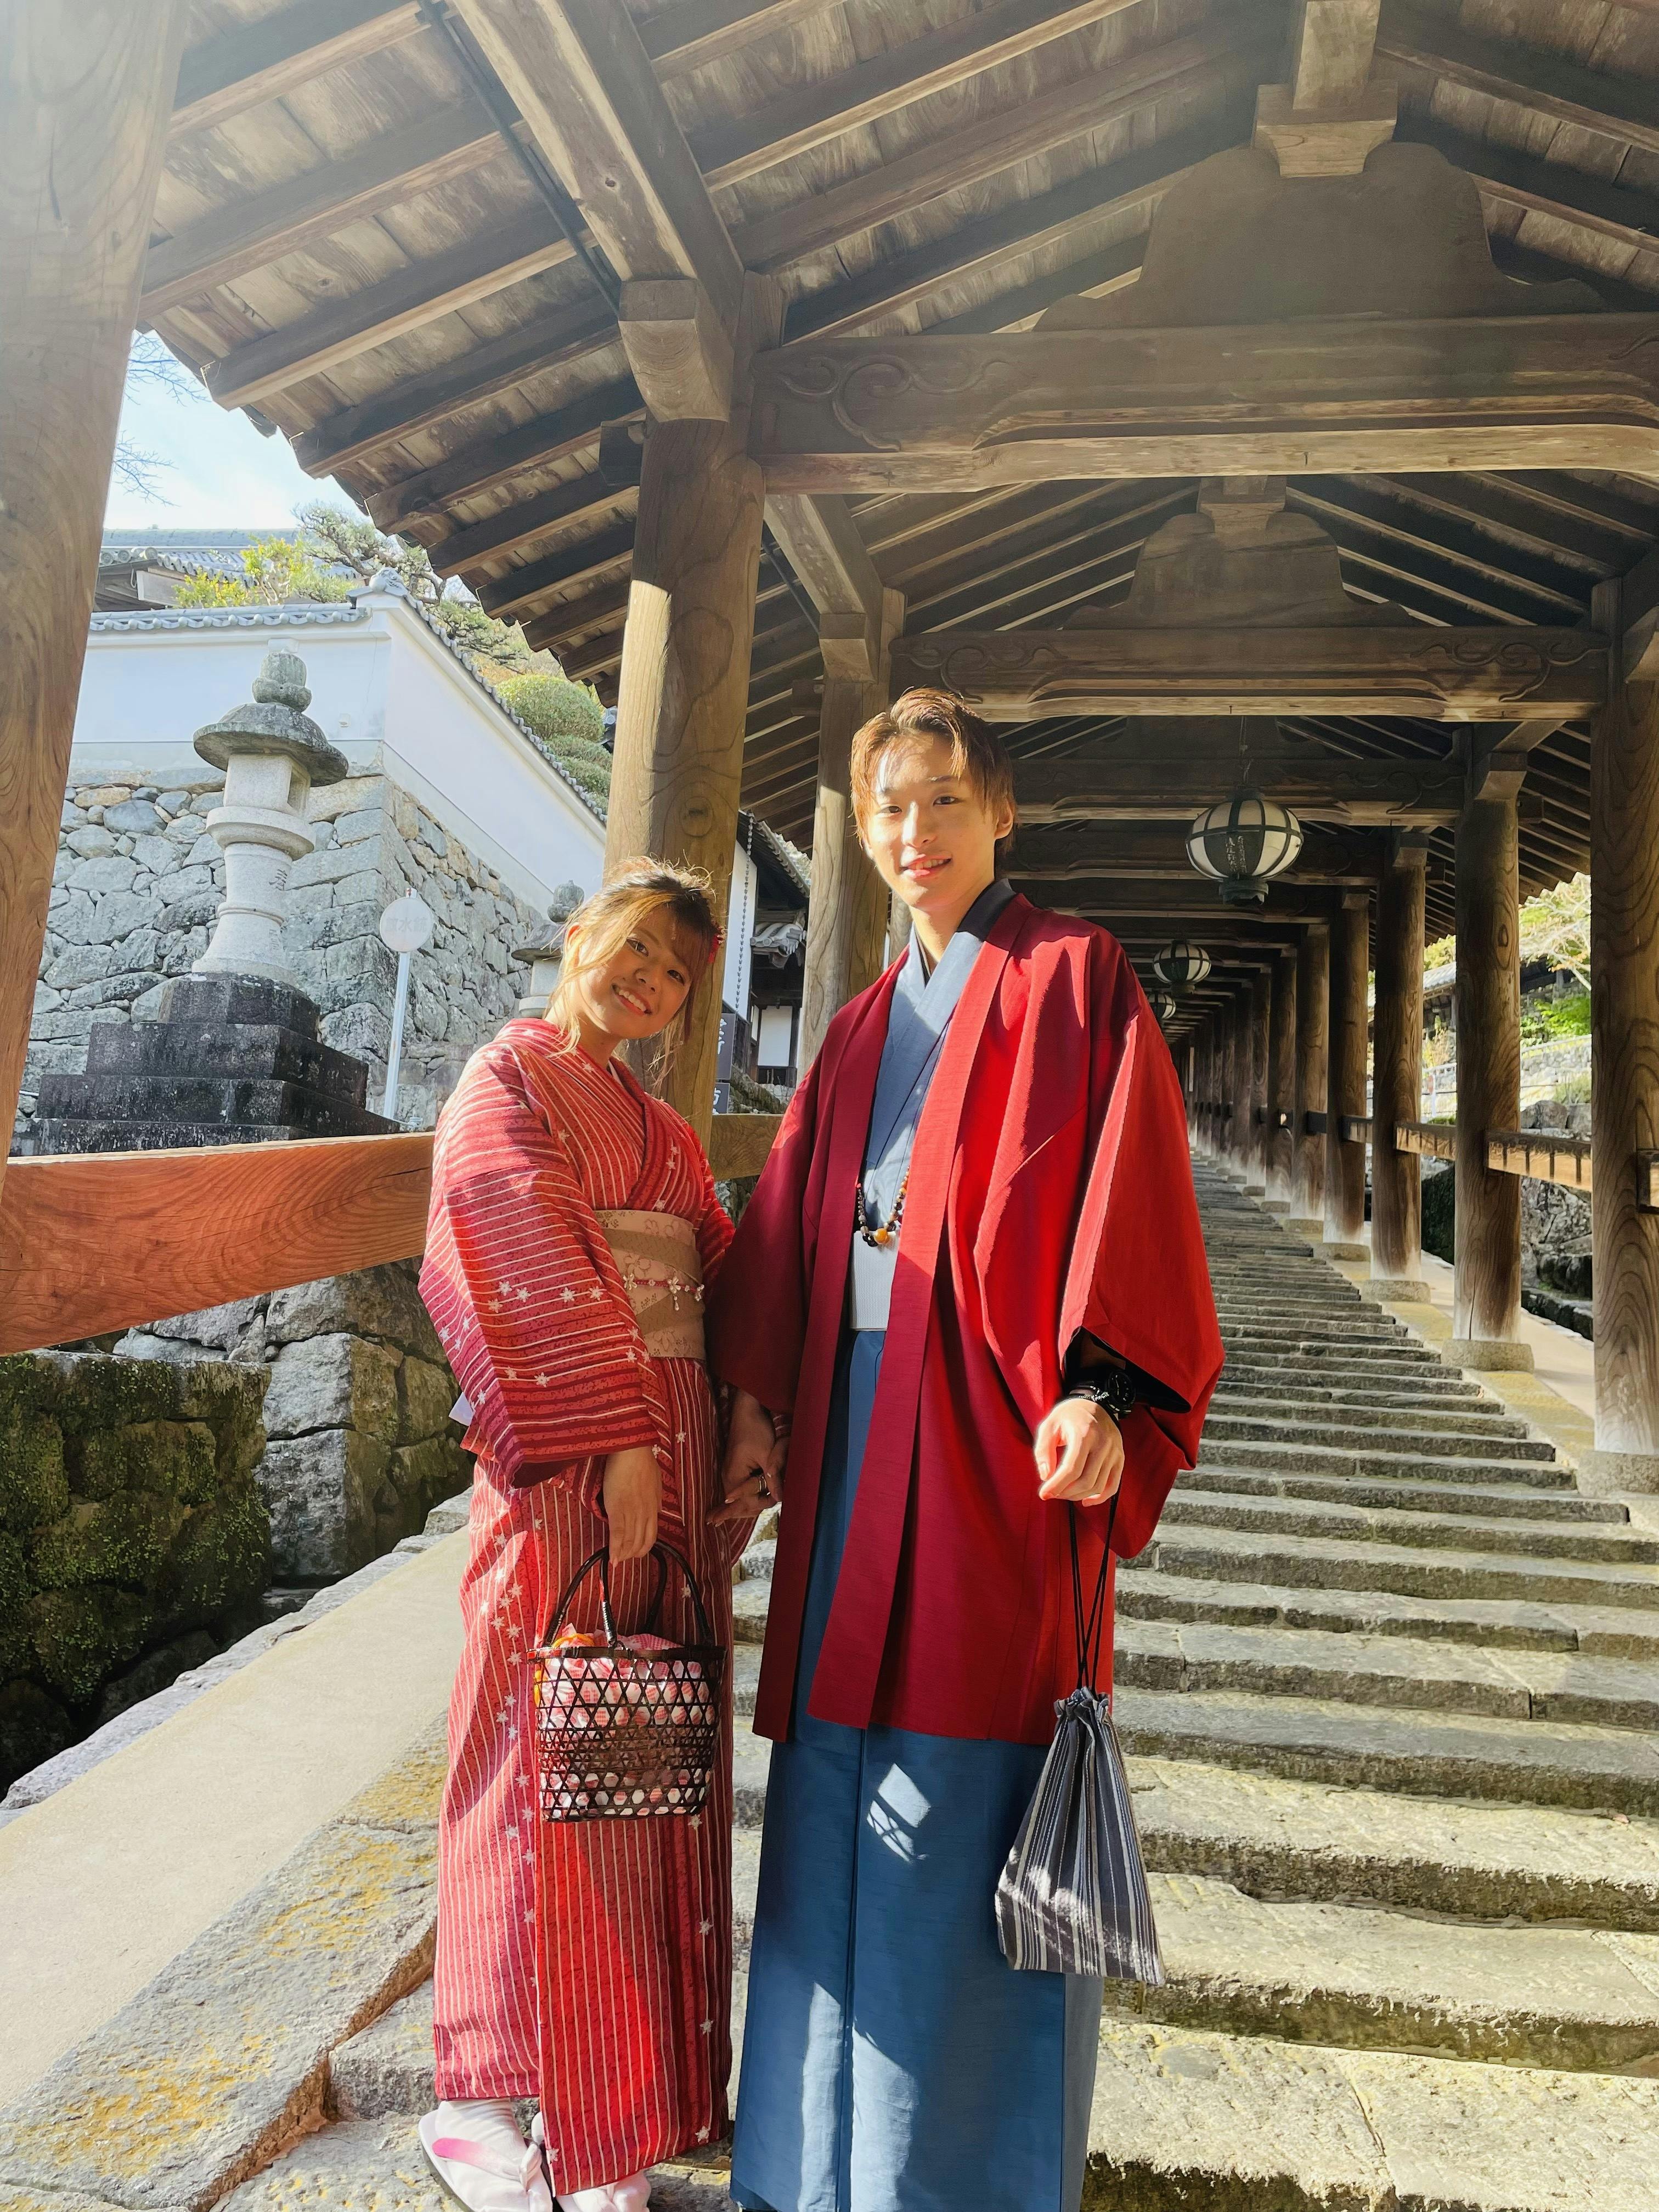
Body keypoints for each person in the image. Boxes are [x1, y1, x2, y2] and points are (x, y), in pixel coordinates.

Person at [708, 691, 1223, 2212]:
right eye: (889, 808)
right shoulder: (861, 1024)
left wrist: (1106, 1394)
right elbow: (791, 1223)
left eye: (943, 800)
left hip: (997, 1442)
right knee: (830, 1792)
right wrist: (757, 1401)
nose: (914, 832)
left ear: (1001, 814)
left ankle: (958, 2179)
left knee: (965, 1769)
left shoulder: (1076, 976)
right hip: (852, 1425)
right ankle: (805, 2166)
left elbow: (1132, 1192)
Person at [417, 862, 756, 2212]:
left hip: (674, 1446)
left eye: (673, 973)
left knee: (641, 1750)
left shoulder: (661, 1129)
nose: (648, 983)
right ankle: (480, 2091)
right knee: (526, 1732)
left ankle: (610, 2110)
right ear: (580, 938)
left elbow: (724, 1268)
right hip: (574, 1454)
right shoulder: (506, 1082)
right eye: (635, 950)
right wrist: (611, 1435)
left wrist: (750, 1415)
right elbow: (506, 1237)